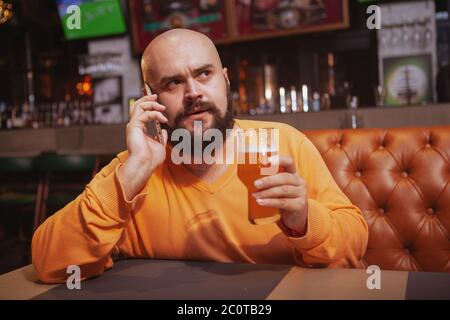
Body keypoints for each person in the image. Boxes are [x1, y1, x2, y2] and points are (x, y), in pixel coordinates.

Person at [32, 29, 368, 283]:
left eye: (204, 74)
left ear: (224, 80)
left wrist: (304, 221)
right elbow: (50, 262)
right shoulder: (134, 172)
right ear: (150, 98)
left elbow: (354, 246)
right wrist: (132, 173)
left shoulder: (281, 144)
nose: (193, 93)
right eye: (174, 82)